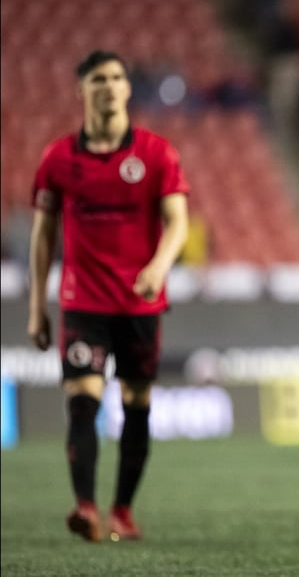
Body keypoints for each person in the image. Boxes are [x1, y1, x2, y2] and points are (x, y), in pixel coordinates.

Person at [26, 50, 190, 543]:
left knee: (136, 403)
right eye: (99, 78)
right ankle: (85, 507)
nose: (111, 85)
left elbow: (178, 221)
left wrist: (158, 267)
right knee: (82, 401)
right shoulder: (58, 158)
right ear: (82, 90)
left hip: (140, 304)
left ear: (126, 88)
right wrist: (37, 305)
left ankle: (122, 510)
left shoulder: (156, 153)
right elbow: (42, 234)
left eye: (118, 77)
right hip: (83, 301)